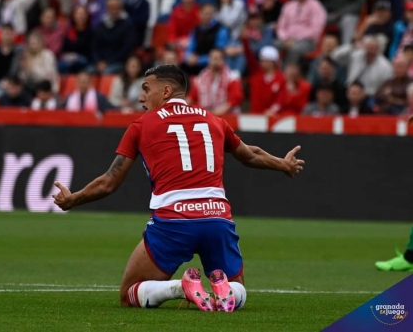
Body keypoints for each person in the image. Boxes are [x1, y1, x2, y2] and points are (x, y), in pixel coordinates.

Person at [52, 64, 305, 312]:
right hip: (217, 219)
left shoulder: (142, 125)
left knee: (129, 293)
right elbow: (250, 155)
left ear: (165, 92)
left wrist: (73, 199)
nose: (141, 97)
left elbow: (110, 181)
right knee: (238, 289)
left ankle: (179, 288)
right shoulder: (215, 121)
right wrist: (282, 164)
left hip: (173, 223)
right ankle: (223, 288)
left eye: (146, 88)